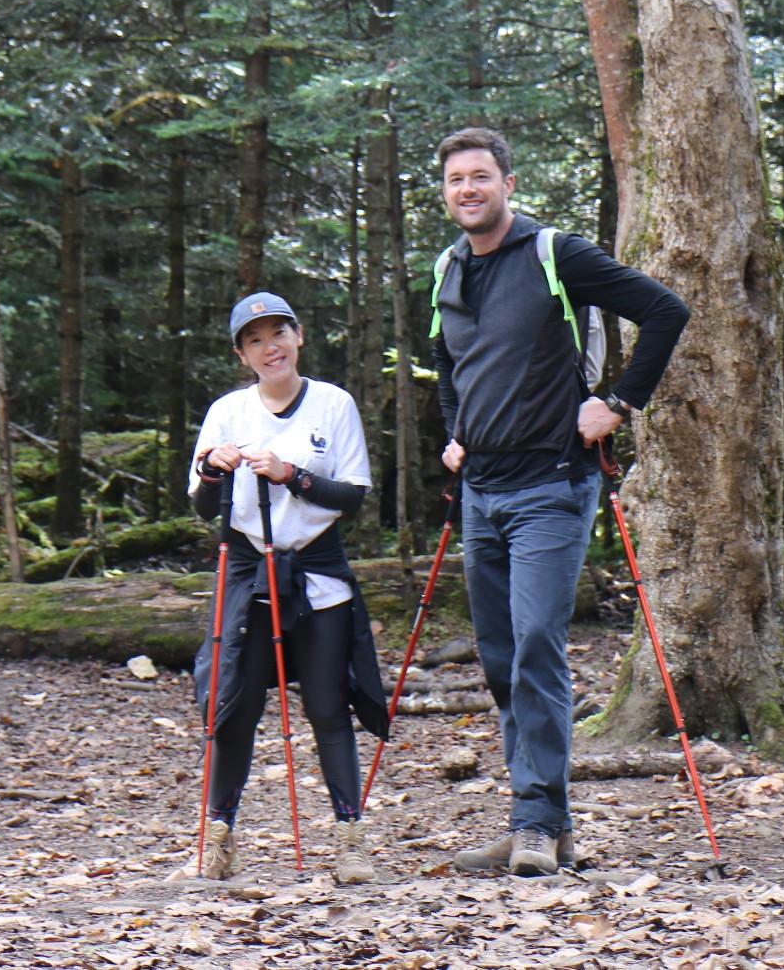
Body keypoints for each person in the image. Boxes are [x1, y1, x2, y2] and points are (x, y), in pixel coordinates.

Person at [429, 127, 690, 877]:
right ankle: (541, 820)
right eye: (455, 180)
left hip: (553, 483)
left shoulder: (556, 254)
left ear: (508, 181)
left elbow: (665, 310)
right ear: (445, 193)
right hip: (480, 492)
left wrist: (617, 401)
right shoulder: (449, 268)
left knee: (537, 641)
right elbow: (449, 366)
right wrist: (454, 432)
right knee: (502, 656)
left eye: (480, 176)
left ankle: (537, 821)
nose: (468, 189)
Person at [188, 291, 388, 884]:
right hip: (250, 572)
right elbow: (203, 507)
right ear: (241, 353)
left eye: (278, 333)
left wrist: (292, 475)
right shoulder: (227, 411)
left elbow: (352, 495)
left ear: (298, 337)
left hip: (318, 571)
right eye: (254, 339)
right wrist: (210, 469)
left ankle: (349, 839)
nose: (268, 347)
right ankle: (218, 837)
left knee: (328, 706)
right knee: (234, 707)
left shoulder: (333, 404)